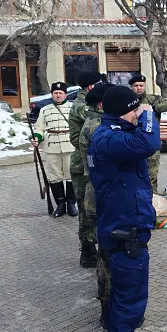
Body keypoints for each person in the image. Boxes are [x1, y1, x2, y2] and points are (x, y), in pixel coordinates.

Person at [88, 85, 160, 332]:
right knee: (129, 293)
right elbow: (149, 142)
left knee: (128, 290)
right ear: (122, 112)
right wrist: (148, 116)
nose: (138, 113)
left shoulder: (115, 133)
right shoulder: (108, 138)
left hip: (128, 222)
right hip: (124, 227)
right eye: (134, 108)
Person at [79, 83, 116, 329]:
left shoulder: (91, 124)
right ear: (103, 104)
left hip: (95, 193)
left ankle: (107, 306)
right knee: (111, 256)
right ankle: (111, 308)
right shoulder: (100, 126)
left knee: (105, 254)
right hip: (108, 197)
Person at [68, 72, 106, 267]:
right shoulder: (82, 106)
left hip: (94, 161)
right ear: (91, 86)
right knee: (86, 209)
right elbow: (101, 118)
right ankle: (88, 249)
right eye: (99, 83)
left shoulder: (89, 102)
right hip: (83, 165)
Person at [32, 82, 77, 218]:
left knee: (71, 175)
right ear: (52, 94)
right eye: (55, 93)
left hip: (70, 145)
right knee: (54, 177)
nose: (58, 95)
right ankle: (60, 204)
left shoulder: (73, 107)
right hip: (52, 146)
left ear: (65, 94)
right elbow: (39, 127)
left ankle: (71, 203)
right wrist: (37, 138)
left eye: (61, 93)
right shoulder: (45, 110)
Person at [130, 74, 167, 193]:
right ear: (131, 87)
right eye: (136, 86)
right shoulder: (128, 101)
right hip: (133, 141)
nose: (138, 88)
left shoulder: (152, 99)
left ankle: (153, 196)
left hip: (151, 141)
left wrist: (154, 108)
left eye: (141, 85)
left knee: (152, 173)